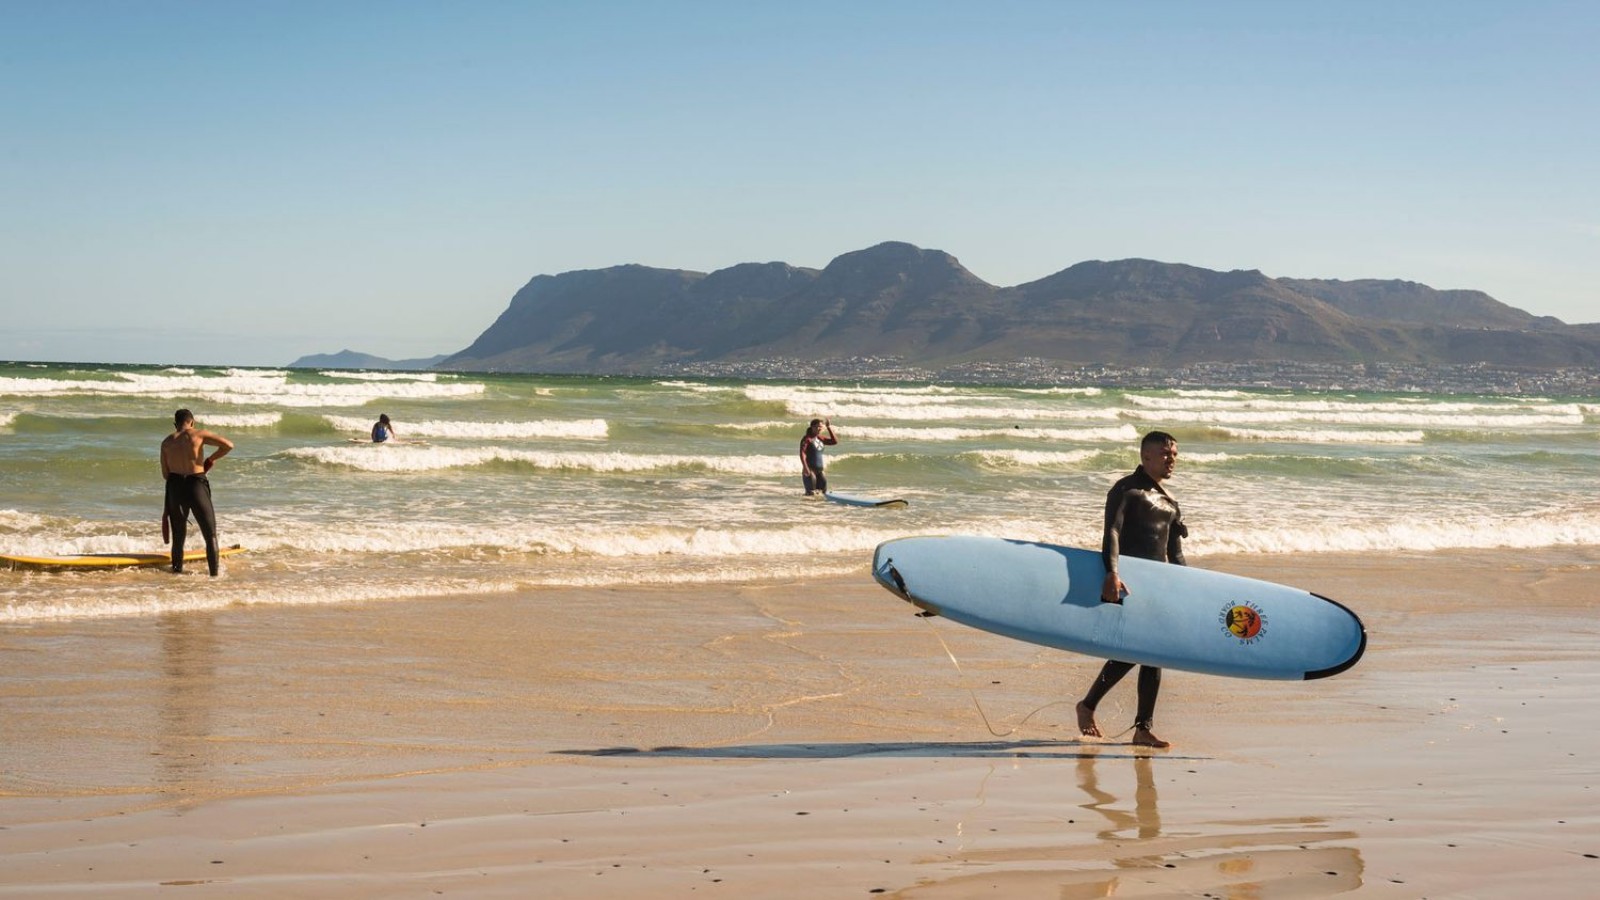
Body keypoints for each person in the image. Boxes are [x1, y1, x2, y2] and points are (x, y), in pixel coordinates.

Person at [1076, 430, 1186, 748]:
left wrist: (1190, 591)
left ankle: (1139, 727)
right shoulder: (1126, 490)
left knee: (1149, 653)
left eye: (1175, 455)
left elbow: (1176, 555)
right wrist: (1112, 573)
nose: (1172, 460)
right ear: (1146, 456)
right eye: (1166, 454)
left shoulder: (1170, 504)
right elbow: (1112, 530)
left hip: (1158, 586)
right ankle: (1093, 708)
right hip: (1128, 584)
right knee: (1140, 651)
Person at [160, 409, 233, 577]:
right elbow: (228, 445)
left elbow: (166, 474)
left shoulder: (166, 442)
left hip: (175, 487)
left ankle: (176, 573)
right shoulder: (198, 434)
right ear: (192, 422)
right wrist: (211, 459)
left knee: (178, 536)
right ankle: (214, 576)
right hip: (196, 485)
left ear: (175, 425)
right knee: (210, 534)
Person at [799, 417, 838, 495]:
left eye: (820, 426)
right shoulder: (807, 439)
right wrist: (805, 467)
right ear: (812, 427)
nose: (819, 428)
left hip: (820, 471)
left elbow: (834, 441)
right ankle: (806, 507)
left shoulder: (821, 438)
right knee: (811, 494)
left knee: (823, 493)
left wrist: (828, 427)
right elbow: (802, 453)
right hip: (810, 470)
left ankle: (819, 507)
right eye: (817, 426)